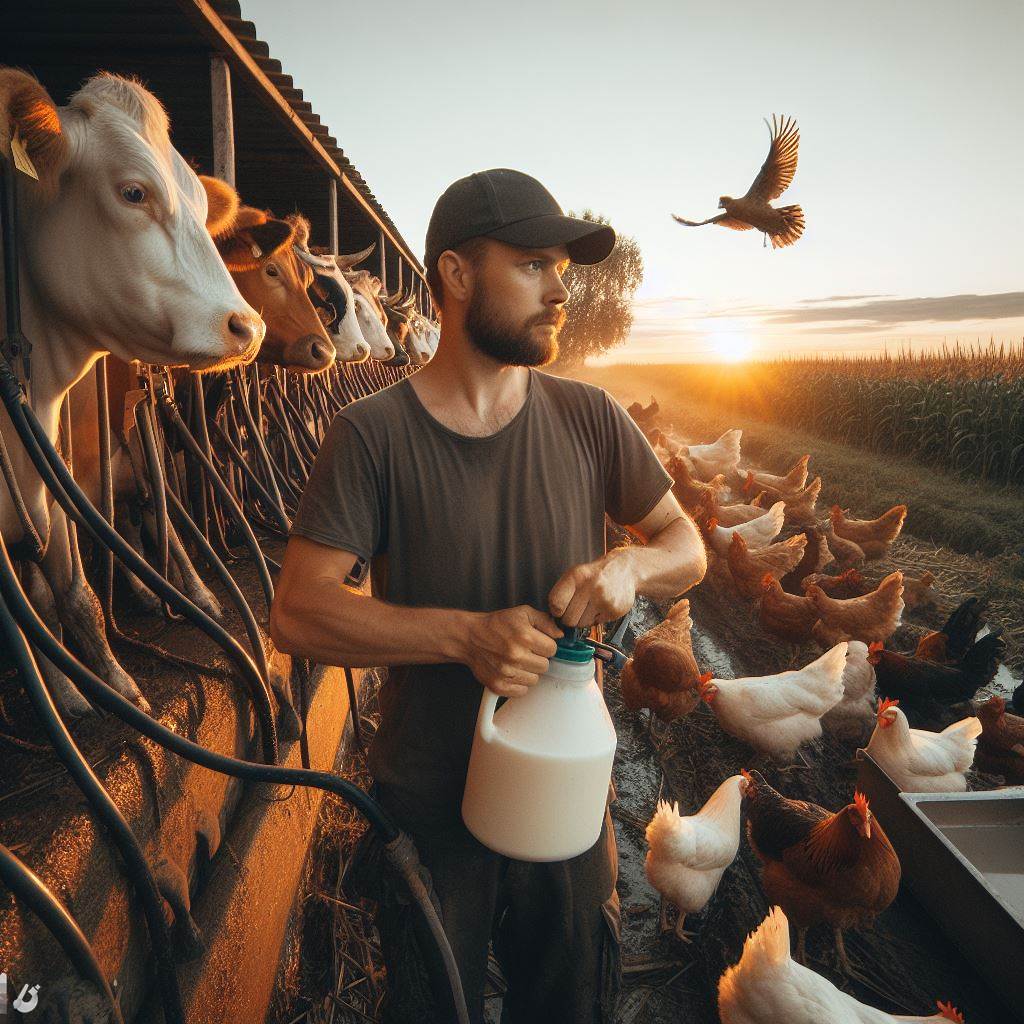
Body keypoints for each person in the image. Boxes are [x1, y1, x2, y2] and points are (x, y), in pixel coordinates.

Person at [269, 168, 707, 1023]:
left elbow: (686, 546)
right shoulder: (371, 436)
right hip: (432, 803)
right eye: (535, 265)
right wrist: (466, 637)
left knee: (570, 1001)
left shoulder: (590, 418)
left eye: (563, 271)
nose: (559, 292)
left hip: (570, 789)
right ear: (457, 275)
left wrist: (631, 568)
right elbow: (297, 611)